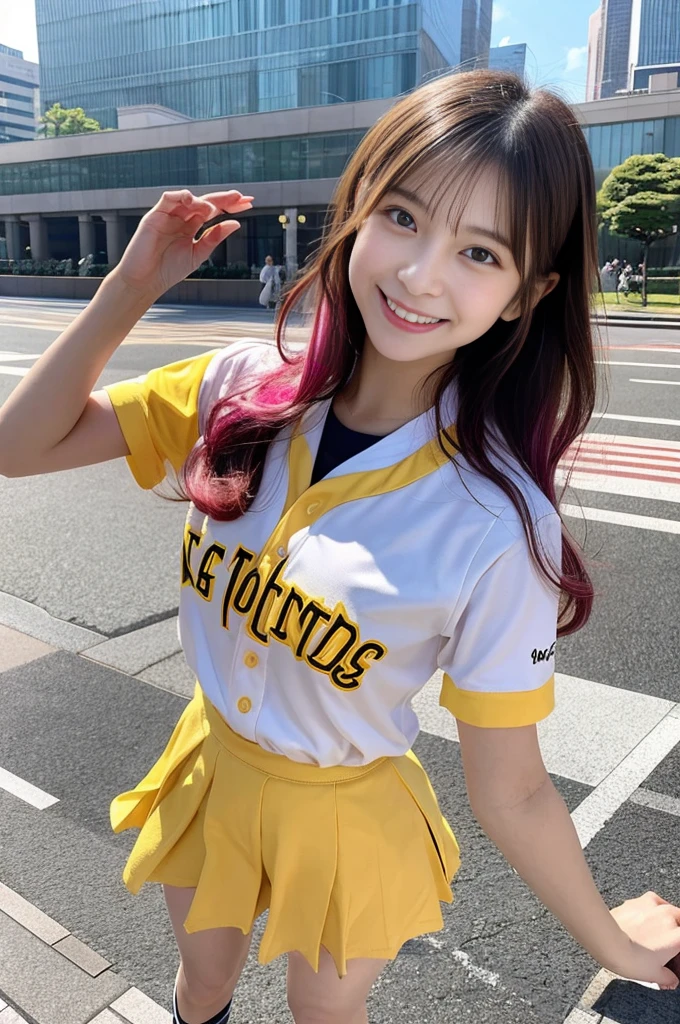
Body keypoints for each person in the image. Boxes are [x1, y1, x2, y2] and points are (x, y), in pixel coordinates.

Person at [1, 69, 679, 1024]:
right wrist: (131, 286)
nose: (419, 273)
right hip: (214, 768)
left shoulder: (496, 524)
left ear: (531, 291)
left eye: (479, 251)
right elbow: (15, 448)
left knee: (327, 1017)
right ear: (358, 207)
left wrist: (614, 943)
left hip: (346, 810)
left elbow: (516, 788)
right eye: (403, 217)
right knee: (200, 988)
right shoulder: (245, 381)